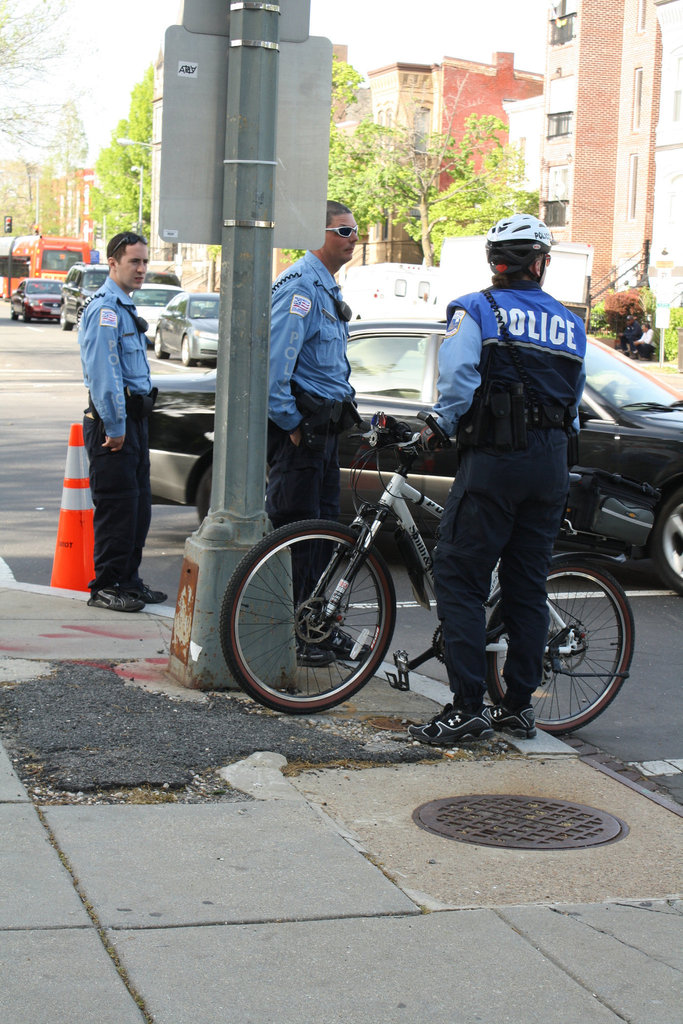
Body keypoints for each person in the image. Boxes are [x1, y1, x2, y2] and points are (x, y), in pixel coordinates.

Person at [409, 214, 587, 745]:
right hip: (552, 463)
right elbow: (573, 403)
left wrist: (439, 424)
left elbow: (459, 379)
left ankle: (465, 707)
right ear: (541, 264)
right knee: (526, 588)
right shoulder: (570, 323)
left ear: (496, 262)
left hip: (497, 461)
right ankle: (518, 708)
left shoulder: (476, 309)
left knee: (460, 578)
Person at [266, 200, 361, 665]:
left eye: (355, 230)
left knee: (323, 535)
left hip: (325, 433)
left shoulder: (324, 288)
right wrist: (292, 425)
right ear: (318, 232)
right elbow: (275, 367)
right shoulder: (301, 287)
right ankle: (296, 634)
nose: (354, 237)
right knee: (300, 537)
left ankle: (314, 630)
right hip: (303, 435)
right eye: (345, 230)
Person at [79, 232, 167, 612]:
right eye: (134, 261)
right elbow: (104, 375)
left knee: (138, 509)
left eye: (145, 261)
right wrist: (115, 427)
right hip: (113, 426)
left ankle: (128, 581)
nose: (142, 269)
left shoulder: (125, 308)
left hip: (134, 423)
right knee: (117, 508)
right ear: (113, 263)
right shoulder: (106, 309)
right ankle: (107, 586)